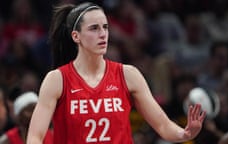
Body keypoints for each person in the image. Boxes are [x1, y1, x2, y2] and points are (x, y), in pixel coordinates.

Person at [26, 2, 206, 144]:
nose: (103, 34)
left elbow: (162, 125)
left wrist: (185, 133)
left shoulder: (128, 74)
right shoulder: (57, 79)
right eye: (94, 28)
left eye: (105, 27)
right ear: (76, 36)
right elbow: (35, 137)